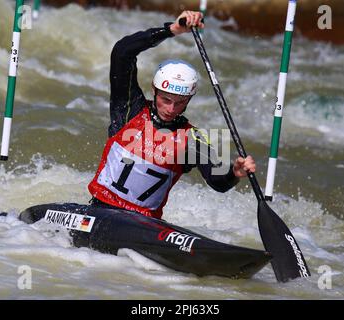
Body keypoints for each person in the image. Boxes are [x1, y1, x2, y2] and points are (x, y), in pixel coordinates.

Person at [88, 11, 256, 219]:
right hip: (99, 211)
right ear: (154, 90)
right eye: (166, 100)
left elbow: (219, 183)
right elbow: (122, 52)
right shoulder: (129, 109)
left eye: (180, 103)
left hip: (142, 225)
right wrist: (171, 30)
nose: (171, 109)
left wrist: (235, 173)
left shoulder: (195, 139)